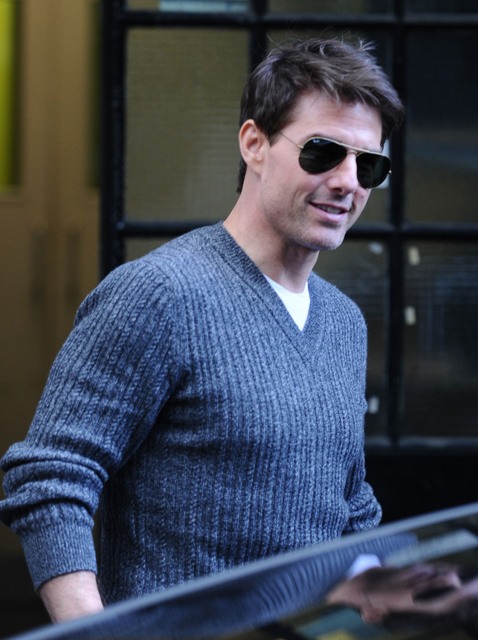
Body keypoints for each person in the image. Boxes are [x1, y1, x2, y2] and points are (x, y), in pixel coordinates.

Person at [0, 35, 404, 623]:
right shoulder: (158, 295)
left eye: (369, 164)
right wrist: (94, 632)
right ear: (254, 144)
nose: (349, 181)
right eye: (323, 152)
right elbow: (51, 478)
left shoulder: (343, 322)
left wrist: (391, 586)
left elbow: (348, 503)